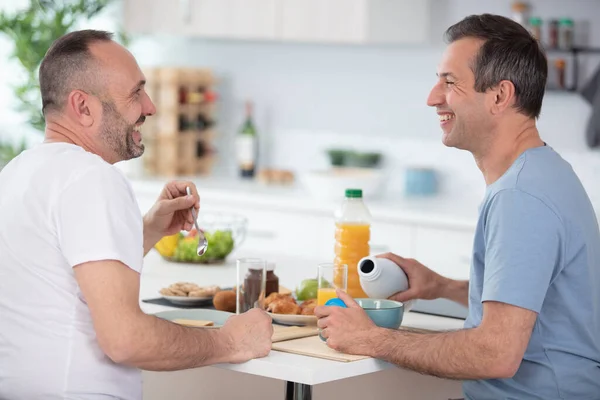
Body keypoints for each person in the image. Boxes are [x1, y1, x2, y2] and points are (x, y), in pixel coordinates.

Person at [315, 14, 600, 400]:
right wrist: (441, 287)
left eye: (449, 83)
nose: (433, 97)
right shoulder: (544, 173)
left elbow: (494, 354)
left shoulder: (521, 197)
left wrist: (372, 339)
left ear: (500, 96)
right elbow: (532, 303)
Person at [0, 30, 273, 400]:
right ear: (83, 107)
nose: (150, 106)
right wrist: (230, 341)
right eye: (135, 93)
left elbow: (58, 275)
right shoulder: (92, 178)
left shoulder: (18, 172)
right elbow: (125, 340)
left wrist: (145, 231)